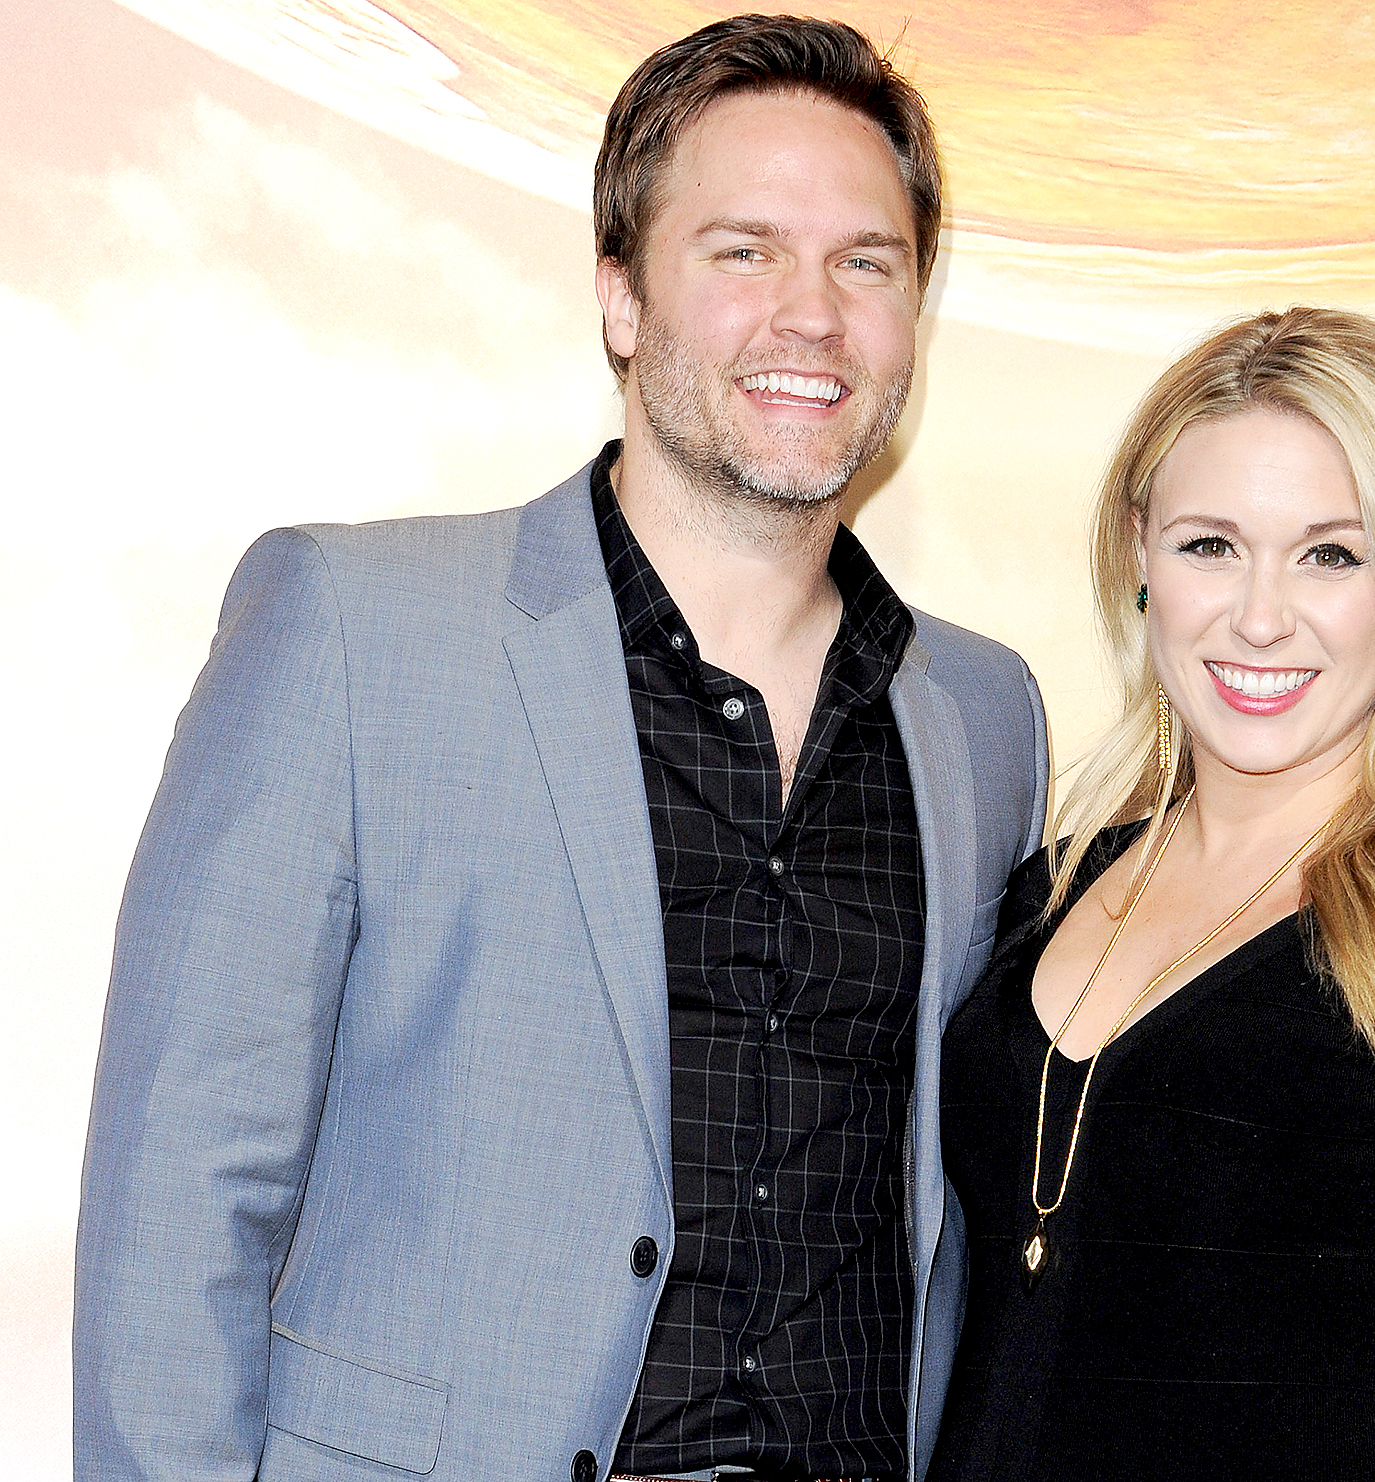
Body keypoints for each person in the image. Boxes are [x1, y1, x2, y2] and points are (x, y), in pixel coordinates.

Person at [73, 18, 1047, 1482]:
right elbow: (179, 1195)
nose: (813, 313)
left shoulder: (986, 713)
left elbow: (998, 1168)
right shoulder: (352, 628)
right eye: (743, 251)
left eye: (868, 261)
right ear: (620, 299)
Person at [926, 307, 1375, 1482]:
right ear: (1138, 555)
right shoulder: (1053, 886)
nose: (1259, 615)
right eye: (1211, 544)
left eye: (1333, 553)